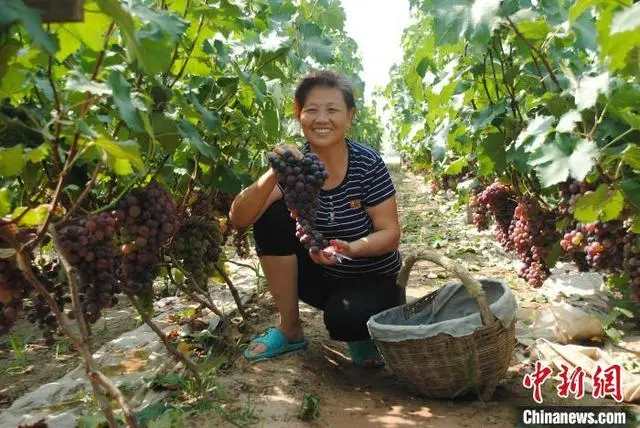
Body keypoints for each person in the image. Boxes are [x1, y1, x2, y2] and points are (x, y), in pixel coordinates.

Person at [228, 70, 402, 367]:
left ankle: (362, 332)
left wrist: (352, 247)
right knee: (269, 216)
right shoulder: (295, 168)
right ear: (299, 114)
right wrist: (273, 173)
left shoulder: (367, 163)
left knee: (345, 321)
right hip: (321, 276)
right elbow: (239, 218)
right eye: (312, 110)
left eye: (332, 110)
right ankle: (290, 328)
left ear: (350, 116)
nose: (322, 119)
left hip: (372, 276)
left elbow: (390, 234)